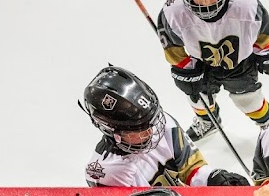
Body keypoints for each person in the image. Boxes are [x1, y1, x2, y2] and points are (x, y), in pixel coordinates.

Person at [157, 0, 269, 141]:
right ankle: (208, 121)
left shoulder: (246, 7)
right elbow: (173, 47)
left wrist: (267, 54)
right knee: (199, 98)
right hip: (202, 65)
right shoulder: (172, 14)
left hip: (239, 63)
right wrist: (184, 70)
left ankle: (267, 125)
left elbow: (263, 33)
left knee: (248, 98)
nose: (205, 1)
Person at [81, 65, 249, 187]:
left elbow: (191, 169)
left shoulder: (162, 124)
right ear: (110, 130)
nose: (150, 130)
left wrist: (213, 178)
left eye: (151, 121)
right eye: (138, 129)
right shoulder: (105, 173)